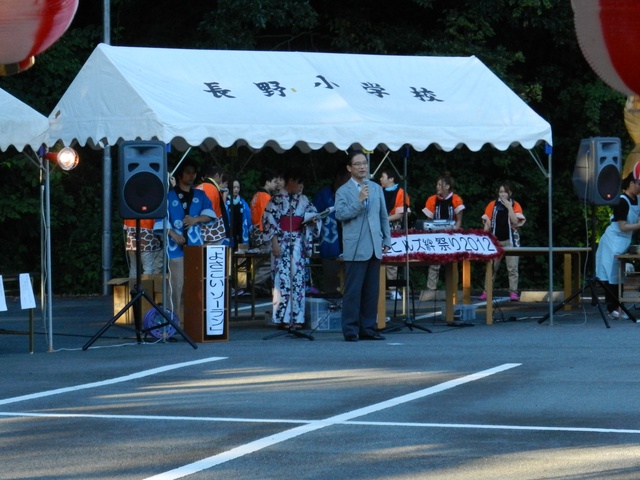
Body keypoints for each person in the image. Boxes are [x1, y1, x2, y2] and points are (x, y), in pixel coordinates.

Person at [335, 151, 391, 342]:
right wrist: (358, 201)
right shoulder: (342, 191)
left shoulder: (376, 188)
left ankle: (368, 328)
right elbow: (340, 215)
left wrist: (387, 240)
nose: (362, 167)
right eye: (357, 164)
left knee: (371, 291)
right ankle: (350, 330)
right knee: (353, 291)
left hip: (374, 245)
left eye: (364, 163)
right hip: (355, 248)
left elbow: (383, 216)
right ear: (349, 168)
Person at [155, 159, 215, 321]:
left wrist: (195, 219)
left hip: (195, 245)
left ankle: (194, 320)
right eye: (187, 172)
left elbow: (210, 215)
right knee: (177, 284)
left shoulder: (201, 195)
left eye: (193, 173)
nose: (191, 175)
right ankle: (174, 319)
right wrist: (173, 235)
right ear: (180, 174)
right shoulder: (169, 196)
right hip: (175, 247)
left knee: (196, 283)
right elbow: (159, 220)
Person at [262, 168, 321, 329]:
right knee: (282, 280)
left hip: (297, 242)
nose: (301, 186)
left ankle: (297, 317)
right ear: (290, 181)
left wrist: (313, 220)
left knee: (298, 279)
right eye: (299, 182)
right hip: (281, 241)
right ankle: (283, 318)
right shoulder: (275, 200)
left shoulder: (304, 200)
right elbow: (268, 221)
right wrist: (274, 242)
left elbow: (313, 216)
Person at [595, 164, 640, 319]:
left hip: (624, 240)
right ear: (631, 184)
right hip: (613, 240)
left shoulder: (637, 199)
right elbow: (622, 226)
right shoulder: (621, 201)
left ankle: (619, 306)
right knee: (612, 275)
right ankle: (612, 308)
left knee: (619, 275)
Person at [478, 181, 526, 302]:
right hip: (495, 241)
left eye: (505, 192)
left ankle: (513, 292)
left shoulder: (515, 205)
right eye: (500, 192)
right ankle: (486, 291)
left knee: (512, 268)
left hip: (511, 241)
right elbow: (487, 222)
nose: (502, 194)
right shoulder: (492, 205)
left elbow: (516, 222)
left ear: (510, 193)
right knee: (491, 267)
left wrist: (509, 207)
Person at [421, 173, 465, 301]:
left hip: (452, 235)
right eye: (437, 184)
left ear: (447, 186)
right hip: (436, 235)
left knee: (452, 263)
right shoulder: (432, 200)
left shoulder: (456, 199)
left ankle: (453, 290)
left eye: (440, 184)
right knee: (434, 263)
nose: (437, 187)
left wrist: (453, 231)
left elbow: (459, 221)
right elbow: (428, 220)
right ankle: (431, 289)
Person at [313, 165, 350, 294]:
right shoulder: (323, 196)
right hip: (330, 245)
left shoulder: (353, 194)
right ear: (338, 177)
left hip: (350, 246)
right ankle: (332, 309)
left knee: (350, 284)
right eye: (347, 177)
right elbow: (314, 218)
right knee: (331, 285)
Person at [379, 167, 411, 301]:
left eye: (383, 177)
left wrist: (384, 219)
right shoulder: (378, 191)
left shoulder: (401, 193)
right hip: (379, 228)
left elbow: (400, 214)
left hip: (395, 229)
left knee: (393, 259)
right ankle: (380, 289)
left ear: (391, 179)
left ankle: (393, 290)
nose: (380, 179)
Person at [196, 165, 230, 244]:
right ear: (217, 175)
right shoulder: (212, 189)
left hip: (198, 229)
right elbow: (210, 213)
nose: (221, 180)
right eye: (221, 177)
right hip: (211, 232)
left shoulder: (198, 187)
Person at [225, 178, 252, 248]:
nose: (236, 189)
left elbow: (249, 217)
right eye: (234, 187)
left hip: (240, 232)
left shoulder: (242, 203)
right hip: (228, 233)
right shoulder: (225, 201)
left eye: (238, 187)